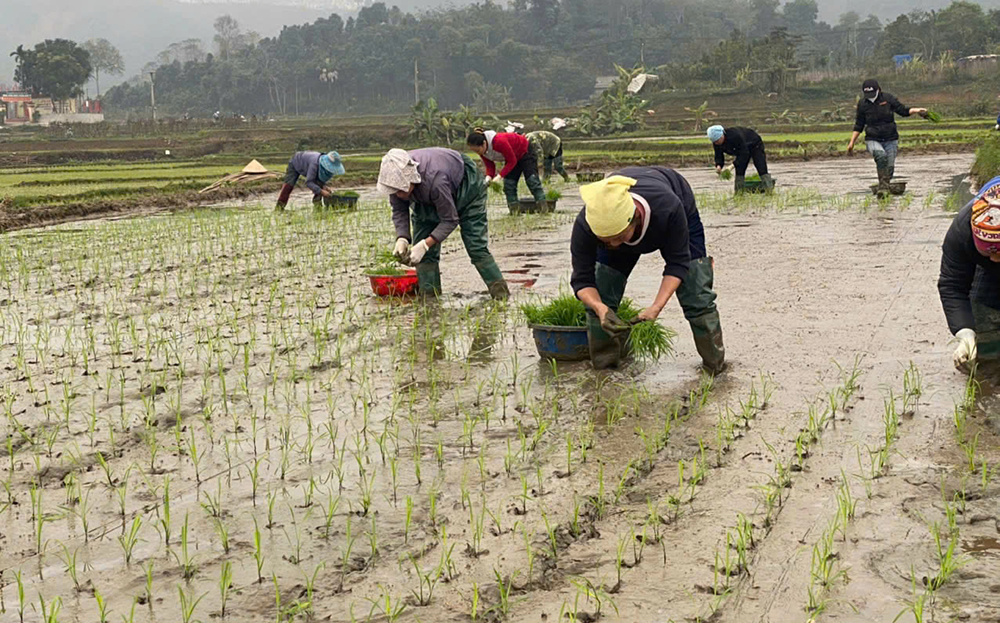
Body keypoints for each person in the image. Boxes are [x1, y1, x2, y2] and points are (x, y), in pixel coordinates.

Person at [570, 167, 725, 372]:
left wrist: (656, 307)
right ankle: (604, 369)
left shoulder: (668, 208)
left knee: (696, 293)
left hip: (676, 204)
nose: (614, 245)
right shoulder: (587, 224)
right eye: (605, 241)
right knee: (602, 292)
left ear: (635, 218)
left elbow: (677, 264)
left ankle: (714, 366)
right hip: (619, 221)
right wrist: (599, 306)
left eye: (619, 237)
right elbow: (582, 280)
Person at [378, 148, 510, 300]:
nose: (399, 195)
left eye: (401, 190)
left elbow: (450, 220)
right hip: (428, 192)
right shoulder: (395, 182)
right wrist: (402, 238)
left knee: (476, 246)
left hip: (467, 187)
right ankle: (429, 299)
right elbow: (399, 210)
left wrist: (425, 244)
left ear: (411, 178)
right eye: (395, 192)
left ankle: (501, 295)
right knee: (424, 255)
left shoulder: (435, 180)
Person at [938, 176, 1000, 372]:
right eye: (990, 251)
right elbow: (952, 285)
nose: (996, 259)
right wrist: (965, 333)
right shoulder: (961, 232)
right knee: (984, 331)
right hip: (986, 272)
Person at [846, 79, 927, 195]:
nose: (870, 97)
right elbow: (859, 124)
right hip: (873, 138)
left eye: (872, 94)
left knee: (889, 169)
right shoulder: (863, 104)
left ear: (879, 90)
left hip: (890, 138)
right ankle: (883, 189)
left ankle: (884, 188)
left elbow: (903, 111)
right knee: (880, 155)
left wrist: (917, 110)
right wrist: (851, 143)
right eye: (868, 95)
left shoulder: (888, 99)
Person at [466, 128, 546, 210]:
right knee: (509, 184)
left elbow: (512, 161)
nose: (478, 153)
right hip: (512, 157)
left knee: (532, 181)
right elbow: (490, 166)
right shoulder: (483, 151)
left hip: (525, 151)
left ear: (484, 143)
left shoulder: (498, 141)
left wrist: (499, 176)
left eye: (478, 150)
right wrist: (488, 178)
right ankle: (514, 211)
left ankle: (543, 208)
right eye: (475, 151)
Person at [707, 125, 772, 193]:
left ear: (722, 135)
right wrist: (719, 165)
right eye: (714, 142)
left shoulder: (734, 136)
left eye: (717, 140)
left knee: (761, 166)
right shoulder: (716, 143)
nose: (716, 143)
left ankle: (769, 190)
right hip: (742, 150)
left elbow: (744, 153)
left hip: (754, 144)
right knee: (740, 169)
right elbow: (718, 155)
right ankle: (739, 193)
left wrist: (732, 166)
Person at [275, 151, 345, 211]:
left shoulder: (322, 167)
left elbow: (319, 180)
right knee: (288, 186)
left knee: (319, 184)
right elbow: (309, 182)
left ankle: (317, 206)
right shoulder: (314, 164)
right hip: (296, 162)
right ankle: (279, 208)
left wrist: (324, 186)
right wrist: (321, 191)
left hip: (307, 164)